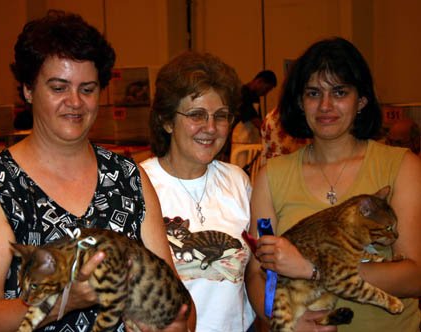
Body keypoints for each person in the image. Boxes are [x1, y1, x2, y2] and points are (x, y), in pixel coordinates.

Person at [0, 10, 191, 332]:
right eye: (58, 87)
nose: (75, 102)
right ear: (27, 89)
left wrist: (177, 324)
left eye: (88, 89)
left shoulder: (127, 176)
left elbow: (175, 293)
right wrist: (62, 301)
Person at [245, 36, 421, 332]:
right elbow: (256, 275)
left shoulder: (401, 166)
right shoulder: (271, 176)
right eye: (313, 93)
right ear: (300, 103)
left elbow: (414, 277)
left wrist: (313, 269)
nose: (325, 105)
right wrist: (285, 321)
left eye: (339, 92)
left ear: (361, 100)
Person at [141, 51, 255, 332]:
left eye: (221, 116)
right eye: (196, 115)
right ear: (167, 121)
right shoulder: (139, 184)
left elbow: (255, 274)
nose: (211, 128)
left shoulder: (238, 182)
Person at [231, 70, 277, 145]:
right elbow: (253, 118)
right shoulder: (242, 93)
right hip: (240, 140)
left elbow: (258, 118)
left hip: (250, 139)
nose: (266, 93)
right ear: (259, 81)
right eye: (266, 89)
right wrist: (270, 132)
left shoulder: (256, 97)